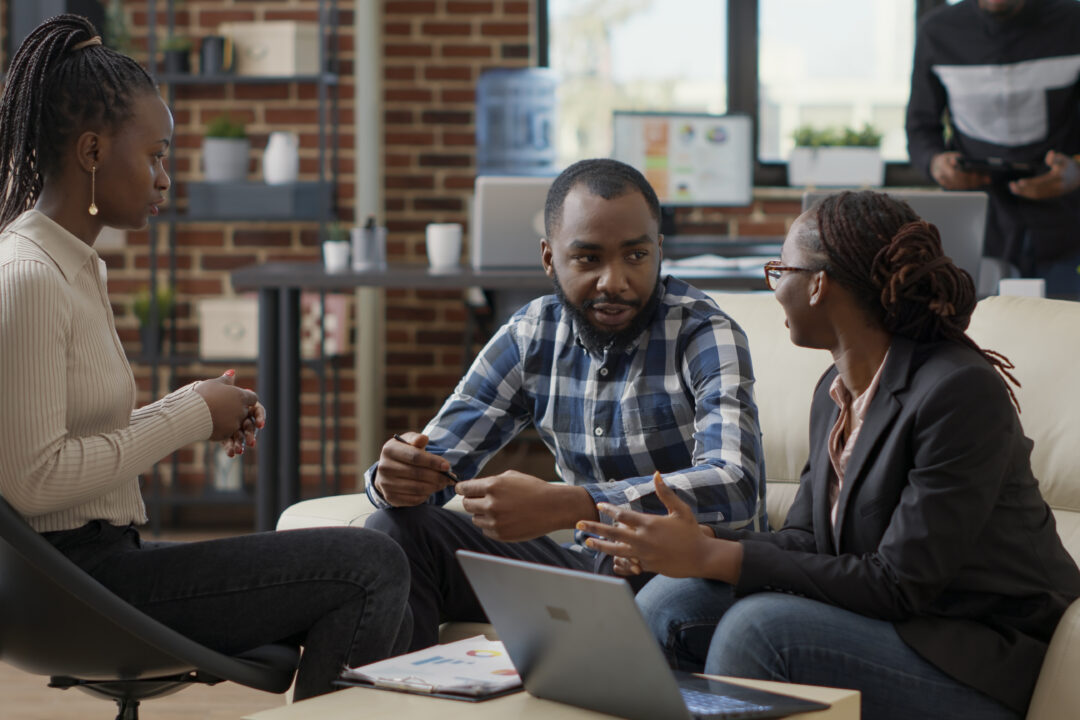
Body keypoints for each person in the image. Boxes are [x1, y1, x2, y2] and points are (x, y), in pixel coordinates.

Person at [0, 15, 410, 699]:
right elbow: (32, 482)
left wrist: (194, 407)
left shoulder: (70, 265)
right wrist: (189, 414)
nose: (166, 176)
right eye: (155, 155)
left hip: (100, 565)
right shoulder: (29, 276)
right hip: (75, 583)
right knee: (370, 565)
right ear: (94, 152)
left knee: (371, 558)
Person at [578, 190, 1080, 719]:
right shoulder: (834, 391)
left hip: (984, 655)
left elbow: (899, 583)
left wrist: (715, 557)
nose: (774, 292)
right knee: (670, 600)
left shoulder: (958, 392)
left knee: (762, 632)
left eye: (780, 271)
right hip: (895, 625)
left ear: (818, 284)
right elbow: (808, 540)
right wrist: (696, 544)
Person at [365, 158, 766, 650]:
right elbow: (437, 461)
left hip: (684, 569)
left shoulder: (705, 334)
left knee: (665, 598)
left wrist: (579, 503)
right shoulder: (530, 334)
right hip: (586, 563)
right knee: (395, 530)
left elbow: (736, 484)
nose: (614, 281)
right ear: (549, 258)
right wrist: (398, 478)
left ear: (659, 251)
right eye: (588, 259)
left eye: (636, 256)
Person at [906, 0, 1080, 297]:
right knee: (976, 332)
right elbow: (920, 129)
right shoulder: (937, 30)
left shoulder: (1073, 22)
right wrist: (937, 164)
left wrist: (1077, 171)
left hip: (1066, 224)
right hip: (978, 224)